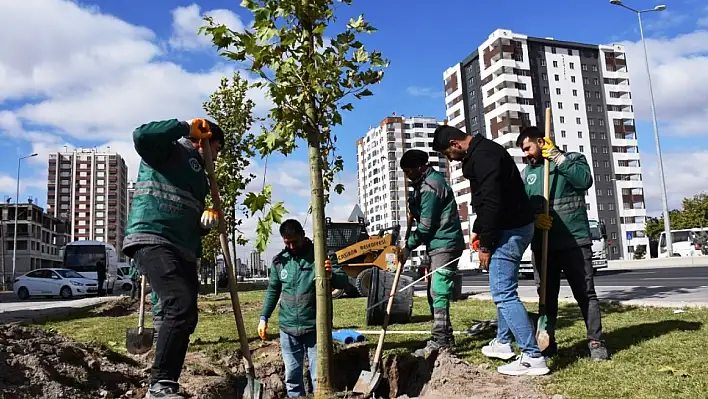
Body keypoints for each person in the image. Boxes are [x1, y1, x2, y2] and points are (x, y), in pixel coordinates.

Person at [432, 125, 549, 376]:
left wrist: (485, 245)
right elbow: (485, 199)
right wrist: (478, 227)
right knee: (504, 289)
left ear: (455, 143)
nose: (448, 159)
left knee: (503, 293)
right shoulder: (481, 153)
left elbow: (493, 202)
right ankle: (503, 343)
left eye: (446, 153)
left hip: (511, 229)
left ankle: (532, 356)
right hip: (511, 225)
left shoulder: (484, 157)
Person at [122, 118, 224, 399]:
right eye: (215, 150)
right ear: (202, 142)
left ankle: (167, 384)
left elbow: (190, 222)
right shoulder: (168, 151)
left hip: (182, 249)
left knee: (186, 315)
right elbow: (141, 135)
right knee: (179, 303)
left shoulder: (201, 180)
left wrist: (204, 224)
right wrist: (184, 126)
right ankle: (159, 386)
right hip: (152, 237)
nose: (216, 158)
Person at [516, 126, 609, 361]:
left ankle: (596, 342)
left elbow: (584, 181)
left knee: (585, 293)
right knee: (546, 296)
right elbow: (522, 207)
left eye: (528, 148)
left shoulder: (572, 160)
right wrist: (534, 219)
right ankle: (547, 341)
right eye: (523, 151)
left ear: (541, 141)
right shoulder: (527, 174)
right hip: (543, 244)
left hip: (574, 242)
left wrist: (557, 157)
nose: (526, 154)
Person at [257, 219, 349, 398]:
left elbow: (343, 281)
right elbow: (272, 291)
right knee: (292, 375)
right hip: (288, 328)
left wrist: (331, 274)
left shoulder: (322, 255)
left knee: (319, 377)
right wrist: (263, 317)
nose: (291, 246)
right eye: (287, 242)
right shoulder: (279, 262)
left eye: (294, 241)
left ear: (303, 235)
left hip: (316, 328)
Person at [398, 149, 465, 357]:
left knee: (439, 290)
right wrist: (412, 205)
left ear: (419, 167)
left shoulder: (430, 187)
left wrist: (408, 246)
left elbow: (426, 227)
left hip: (445, 242)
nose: (407, 176)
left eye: (409, 172)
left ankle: (441, 341)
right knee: (433, 292)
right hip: (437, 243)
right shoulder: (421, 185)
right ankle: (445, 334)